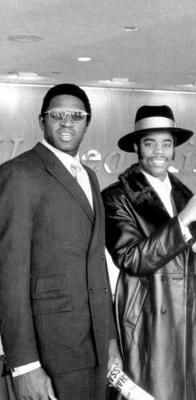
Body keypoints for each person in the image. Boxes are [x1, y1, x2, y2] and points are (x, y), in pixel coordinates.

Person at [0, 83, 121, 400]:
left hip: (94, 346)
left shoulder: (90, 177)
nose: (67, 122)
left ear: (87, 122)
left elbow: (97, 264)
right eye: (57, 114)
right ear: (42, 121)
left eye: (76, 115)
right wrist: (25, 366)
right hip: (50, 349)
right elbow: (9, 276)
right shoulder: (18, 174)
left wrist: (109, 341)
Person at [102, 105, 196, 400]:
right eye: (150, 143)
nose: (159, 151)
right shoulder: (116, 197)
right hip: (147, 310)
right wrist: (184, 221)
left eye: (166, 143)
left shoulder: (187, 196)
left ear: (174, 149)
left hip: (191, 309)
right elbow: (131, 258)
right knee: (154, 391)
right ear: (137, 148)